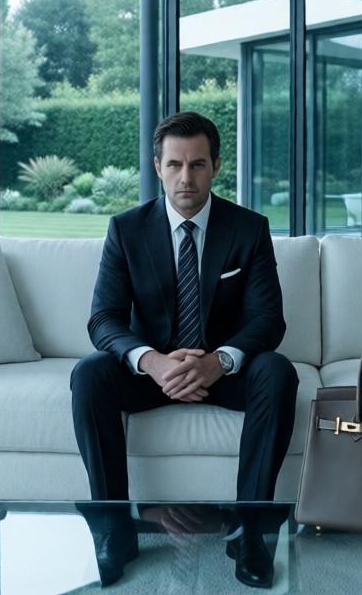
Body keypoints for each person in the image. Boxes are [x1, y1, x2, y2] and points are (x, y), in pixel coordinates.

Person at [71, 111, 299, 588]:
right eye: (174, 165)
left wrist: (219, 361)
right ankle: (115, 529)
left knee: (277, 373)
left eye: (197, 164)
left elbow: (267, 320)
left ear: (216, 166)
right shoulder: (126, 230)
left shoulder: (249, 229)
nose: (185, 177)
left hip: (223, 371)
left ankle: (250, 532)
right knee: (90, 374)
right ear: (157, 166)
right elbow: (104, 318)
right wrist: (151, 362)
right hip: (153, 373)